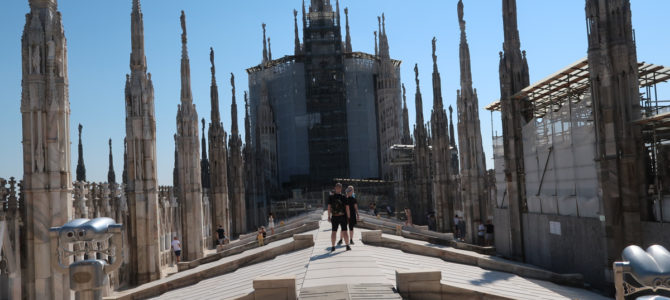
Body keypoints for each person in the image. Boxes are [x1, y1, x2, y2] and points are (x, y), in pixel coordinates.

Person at [328, 182, 351, 252]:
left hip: (334, 216)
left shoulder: (331, 197)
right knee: (345, 231)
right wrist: (349, 217)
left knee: (334, 232)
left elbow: (329, 207)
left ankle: (333, 247)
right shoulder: (344, 197)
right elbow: (347, 208)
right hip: (343, 216)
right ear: (341, 188)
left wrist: (328, 216)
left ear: (335, 188)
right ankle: (347, 246)